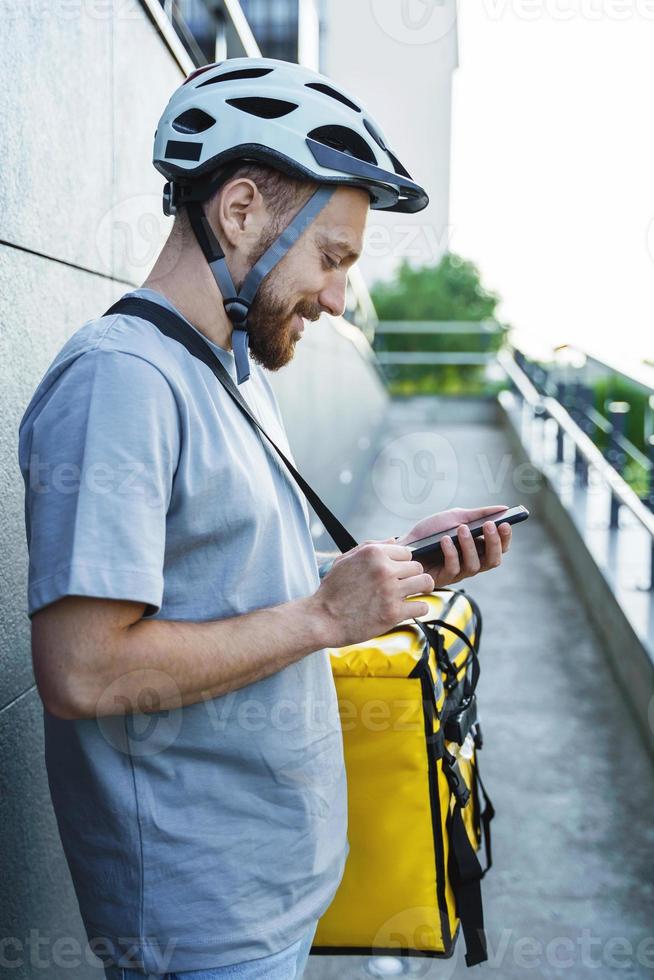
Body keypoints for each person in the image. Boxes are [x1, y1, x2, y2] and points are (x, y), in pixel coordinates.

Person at [17, 58, 512, 980]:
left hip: (269, 898)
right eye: (332, 259)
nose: (337, 297)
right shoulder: (121, 381)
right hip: (200, 928)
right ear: (239, 211)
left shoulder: (228, 365)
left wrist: (398, 563)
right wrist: (326, 618)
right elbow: (82, 672)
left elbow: (232, 581)